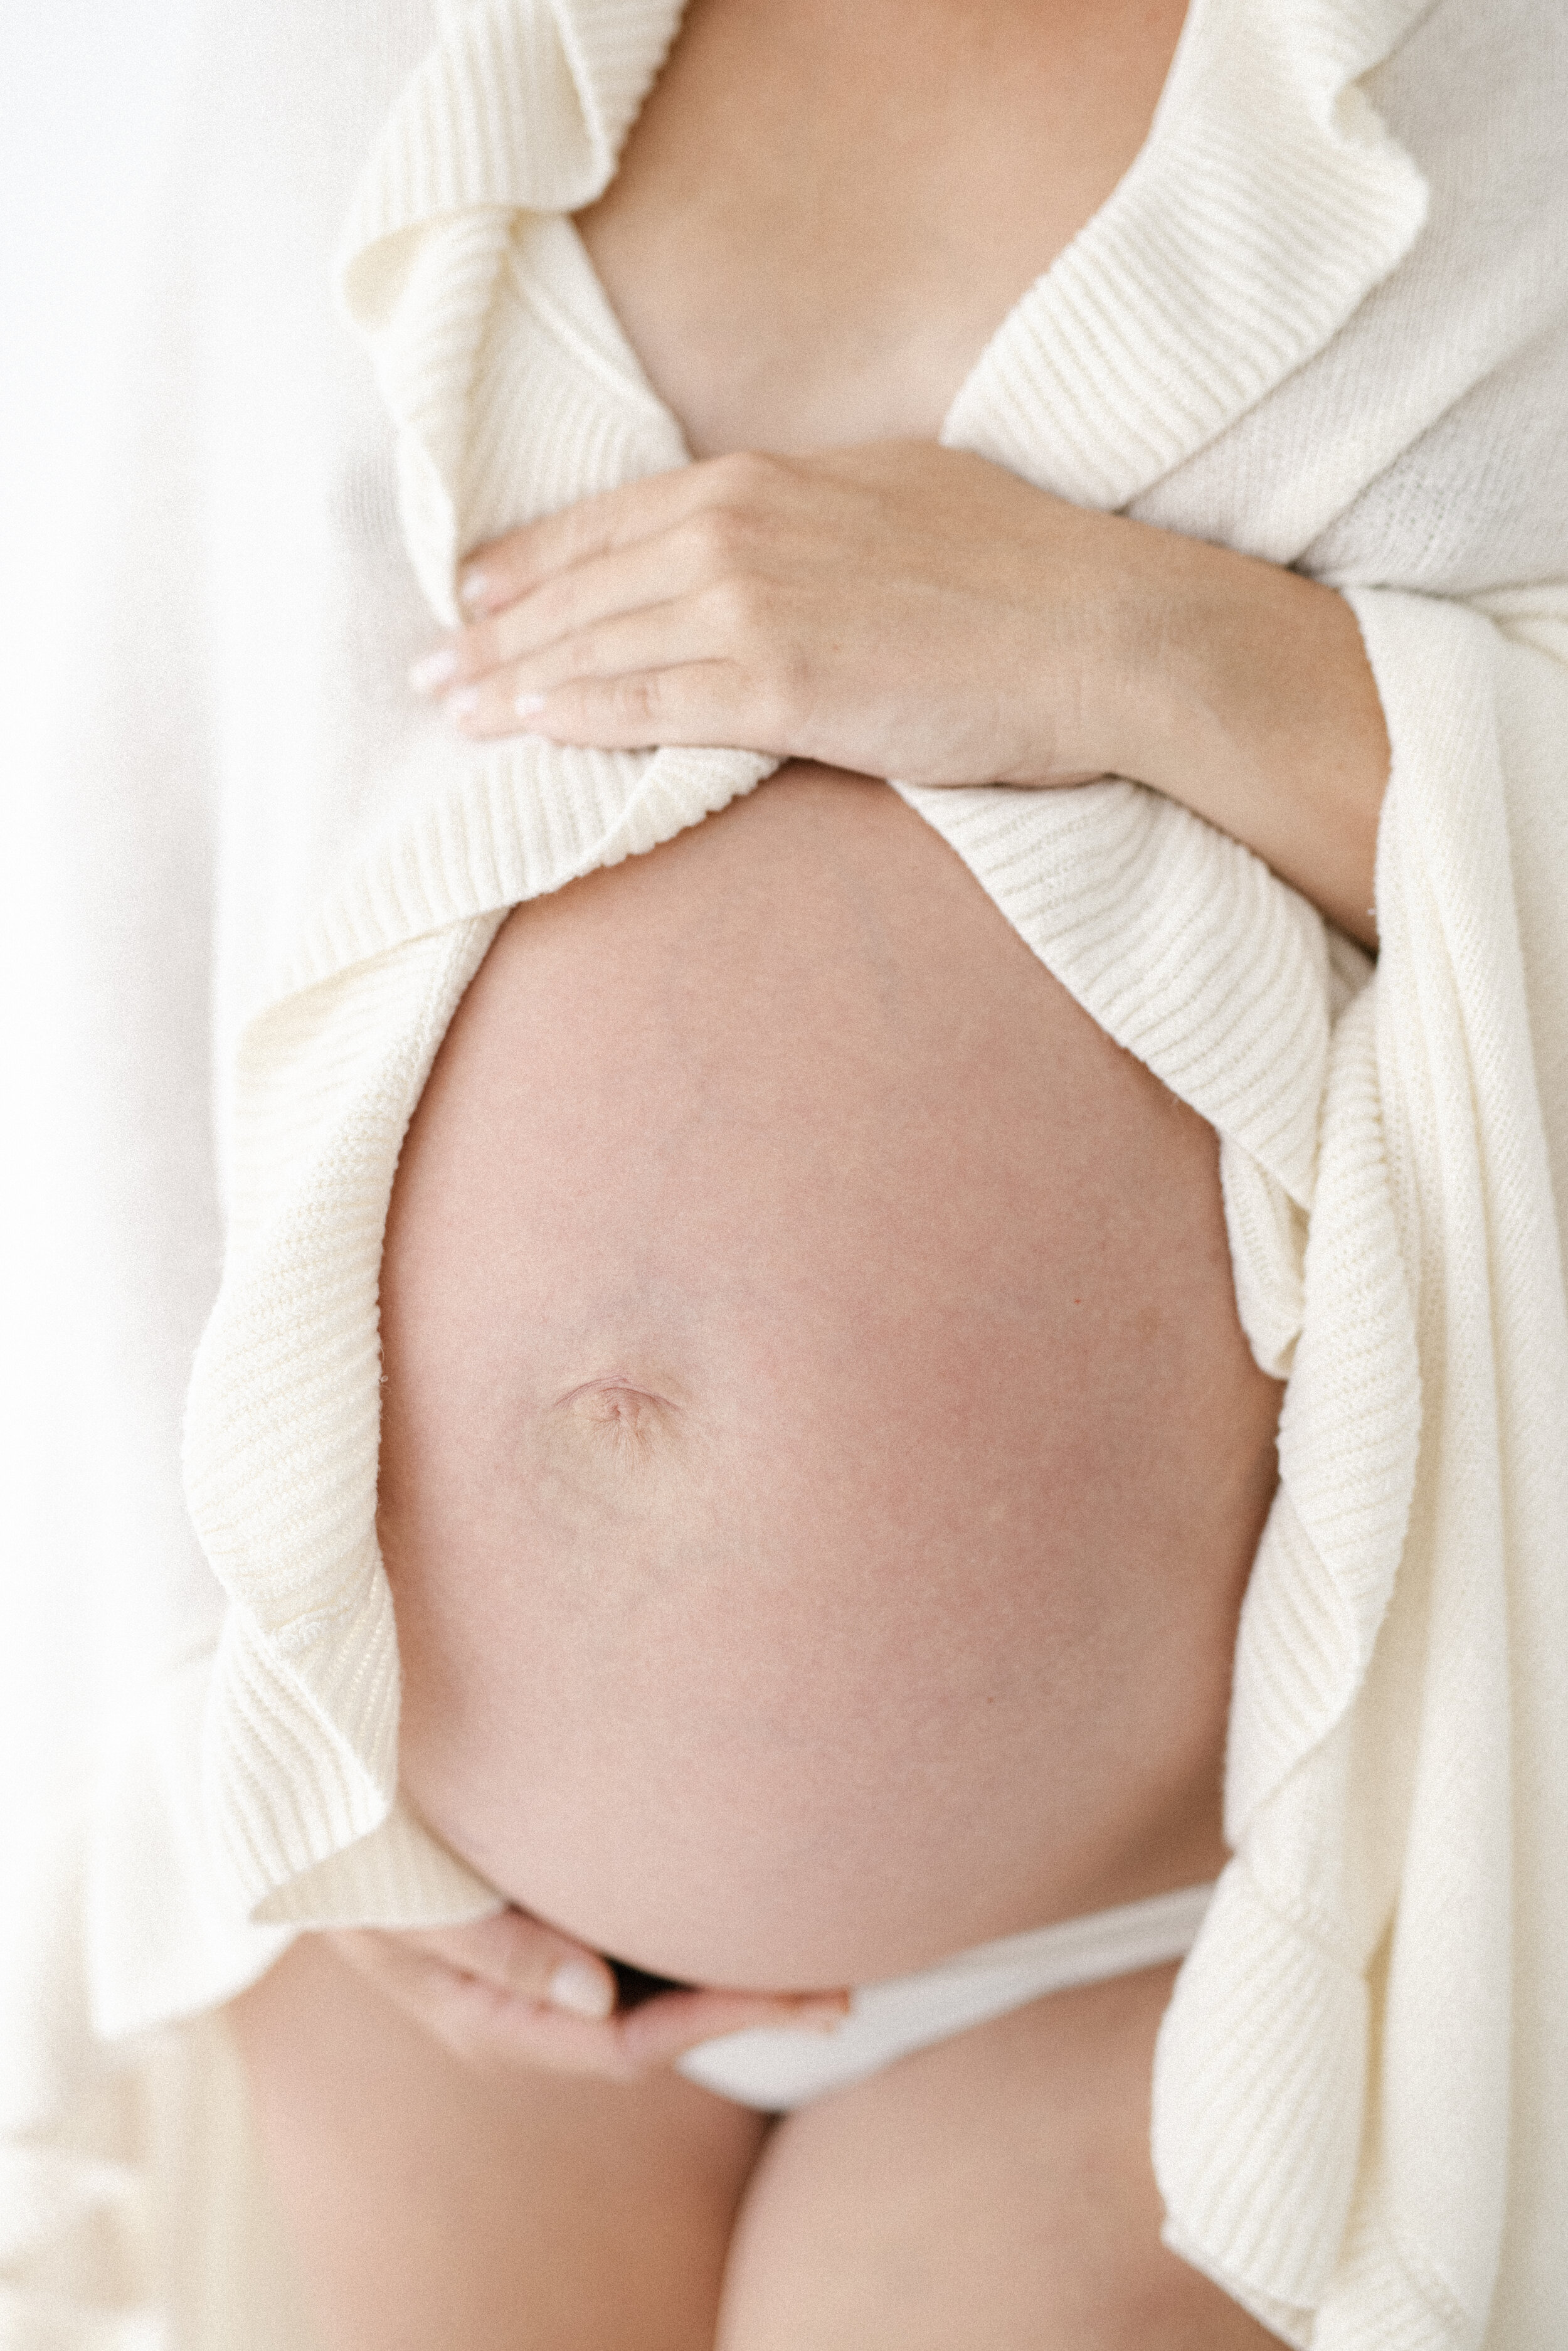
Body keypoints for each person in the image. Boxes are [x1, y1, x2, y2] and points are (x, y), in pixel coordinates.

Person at [6, 0, 1565, 2345]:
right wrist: (232, 1717)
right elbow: (108, 866)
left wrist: (1137, 648)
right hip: (416, 1941)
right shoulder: (319, 49)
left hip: (1225, 1928)